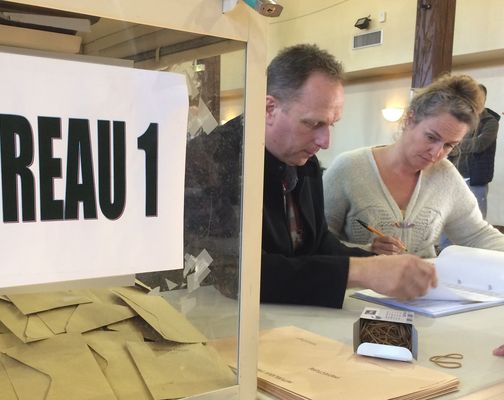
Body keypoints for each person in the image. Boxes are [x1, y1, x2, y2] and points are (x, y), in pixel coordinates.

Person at [185, 44, 437, 308]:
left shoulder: (305, 162)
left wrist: (373, 262)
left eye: (331, 124)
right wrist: (361, 271)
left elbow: (316, 243)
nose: (325, 141)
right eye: (313, 123)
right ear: (269, 108)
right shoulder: (211, 162)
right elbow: (235, 272)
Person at [323, 74, 504, 258]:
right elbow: (315, 242)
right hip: (359, 286)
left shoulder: (445, 176)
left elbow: (477, 235)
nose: (436, 153)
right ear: (410, 119)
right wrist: (366, 250)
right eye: (431, 137)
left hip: (424, 285)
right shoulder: (349, 168)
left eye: (449, 145)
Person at [449, 84, 500, 218]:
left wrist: (454, 145)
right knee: (450, 217)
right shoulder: (461, 119)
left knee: (477, 219)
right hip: (455, 175)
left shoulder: (491, 121)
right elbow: (449, 142)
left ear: (483, 99)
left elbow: (479, 144)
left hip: (477, 178)